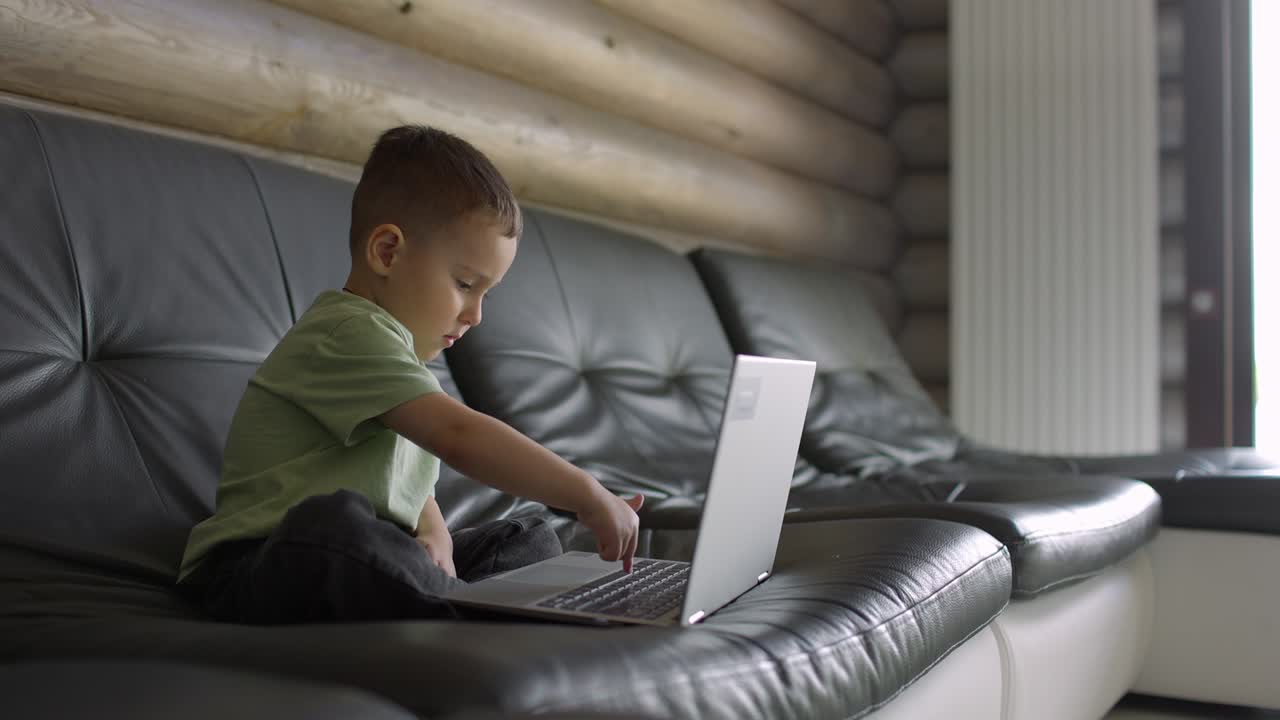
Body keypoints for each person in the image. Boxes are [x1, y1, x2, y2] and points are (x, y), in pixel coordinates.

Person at [176, 125, 643, 623]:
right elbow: (459, 436)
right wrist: (586, 494)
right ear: (387, 252)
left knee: (529, 537)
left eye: (486, 293)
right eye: (465, 284)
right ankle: (457, 607)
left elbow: (408, 483)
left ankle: (449, 599)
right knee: (336, 526)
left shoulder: (400, 357)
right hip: (258, 566)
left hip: (378, 557)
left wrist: (435, 533)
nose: (476, 315)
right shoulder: (345, 334)